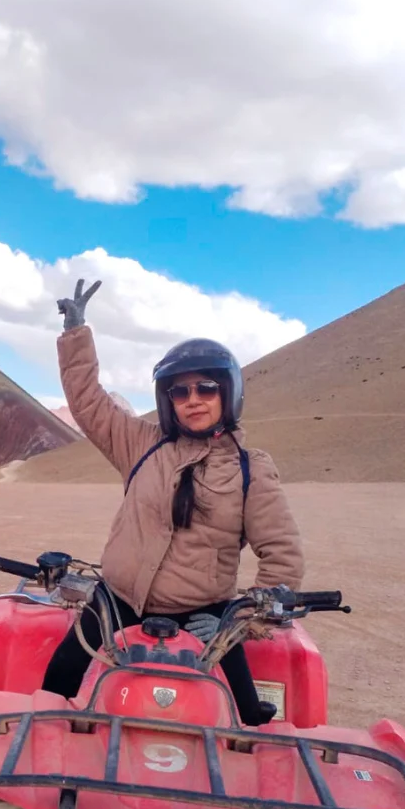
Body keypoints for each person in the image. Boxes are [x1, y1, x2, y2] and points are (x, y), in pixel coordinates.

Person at [41, 278, 304, 724]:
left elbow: (282, 555)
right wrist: (76, 336)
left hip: (206, 612)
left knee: (246, 719)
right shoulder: (142, 445)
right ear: (168, 401)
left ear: (228, 393)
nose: (193, 400)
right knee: (57, 682)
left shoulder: (250, 468)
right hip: (118, 599)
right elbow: (89, 405)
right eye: (180, 392)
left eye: (205, 388)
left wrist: (241, 623)